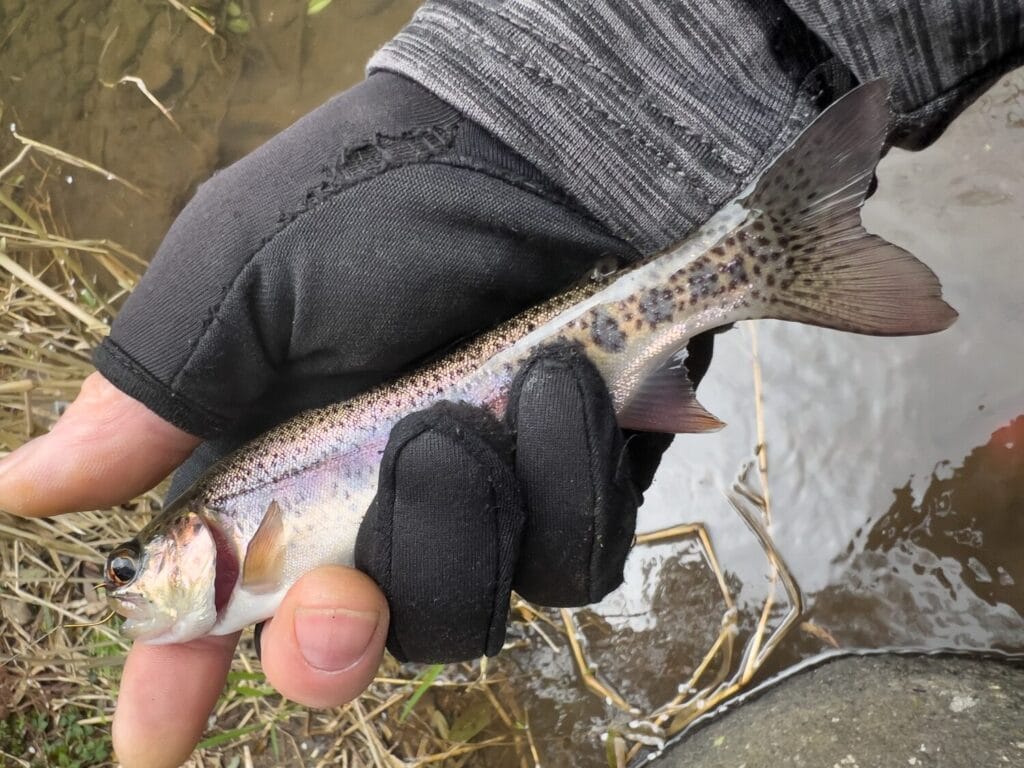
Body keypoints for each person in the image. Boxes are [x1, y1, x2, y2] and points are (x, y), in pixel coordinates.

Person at [0, 1, 1020, 766]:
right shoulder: (237, 553)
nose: (126, 596)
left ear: (184, 549)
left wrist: (529, 108)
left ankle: (745, 260)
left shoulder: (235, 527)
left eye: (131, 573)